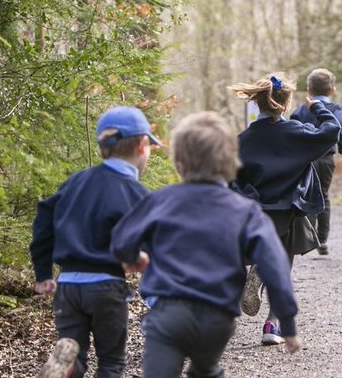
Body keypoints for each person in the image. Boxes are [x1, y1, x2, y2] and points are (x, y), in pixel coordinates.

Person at [110, 112, 302, 378]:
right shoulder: (245, 210)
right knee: (205, 367)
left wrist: (132, 257)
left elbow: (121, 238)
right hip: (217, 319)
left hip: (169, 314)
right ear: (230, 162)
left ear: (179, 163)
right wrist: (288, 322)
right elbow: (274, 265)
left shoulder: (160, 201)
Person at [30, 106, 159, 377]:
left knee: (76, 354)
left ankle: (68, 366)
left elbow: (44, 217)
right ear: (142, 145)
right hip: (106, 286)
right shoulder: (135, 193)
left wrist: (43, 272)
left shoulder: (75, 183)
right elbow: (151, 239)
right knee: (111, 362)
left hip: (67, 286)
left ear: (102, 149)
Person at [230, 73, 341, 345]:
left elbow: (230, 178)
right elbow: (332, 131)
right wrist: (318, 107)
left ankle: (254, 269)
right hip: (288, 212)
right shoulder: (297, 132)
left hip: (255, 213)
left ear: (257, 103)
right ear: (287, 101)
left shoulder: (243, 139)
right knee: (282, 266)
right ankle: (272, 324)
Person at [290, 68, 342, 255]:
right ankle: (322, 240)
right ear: (332, 89)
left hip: (304, 158)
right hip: (325, 159)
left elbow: (292, 130)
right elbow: (338, 128)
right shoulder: (336, 110)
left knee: (304, 195)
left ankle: (308, 238)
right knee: (323, 196)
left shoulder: (300, 111)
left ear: (309, 90)